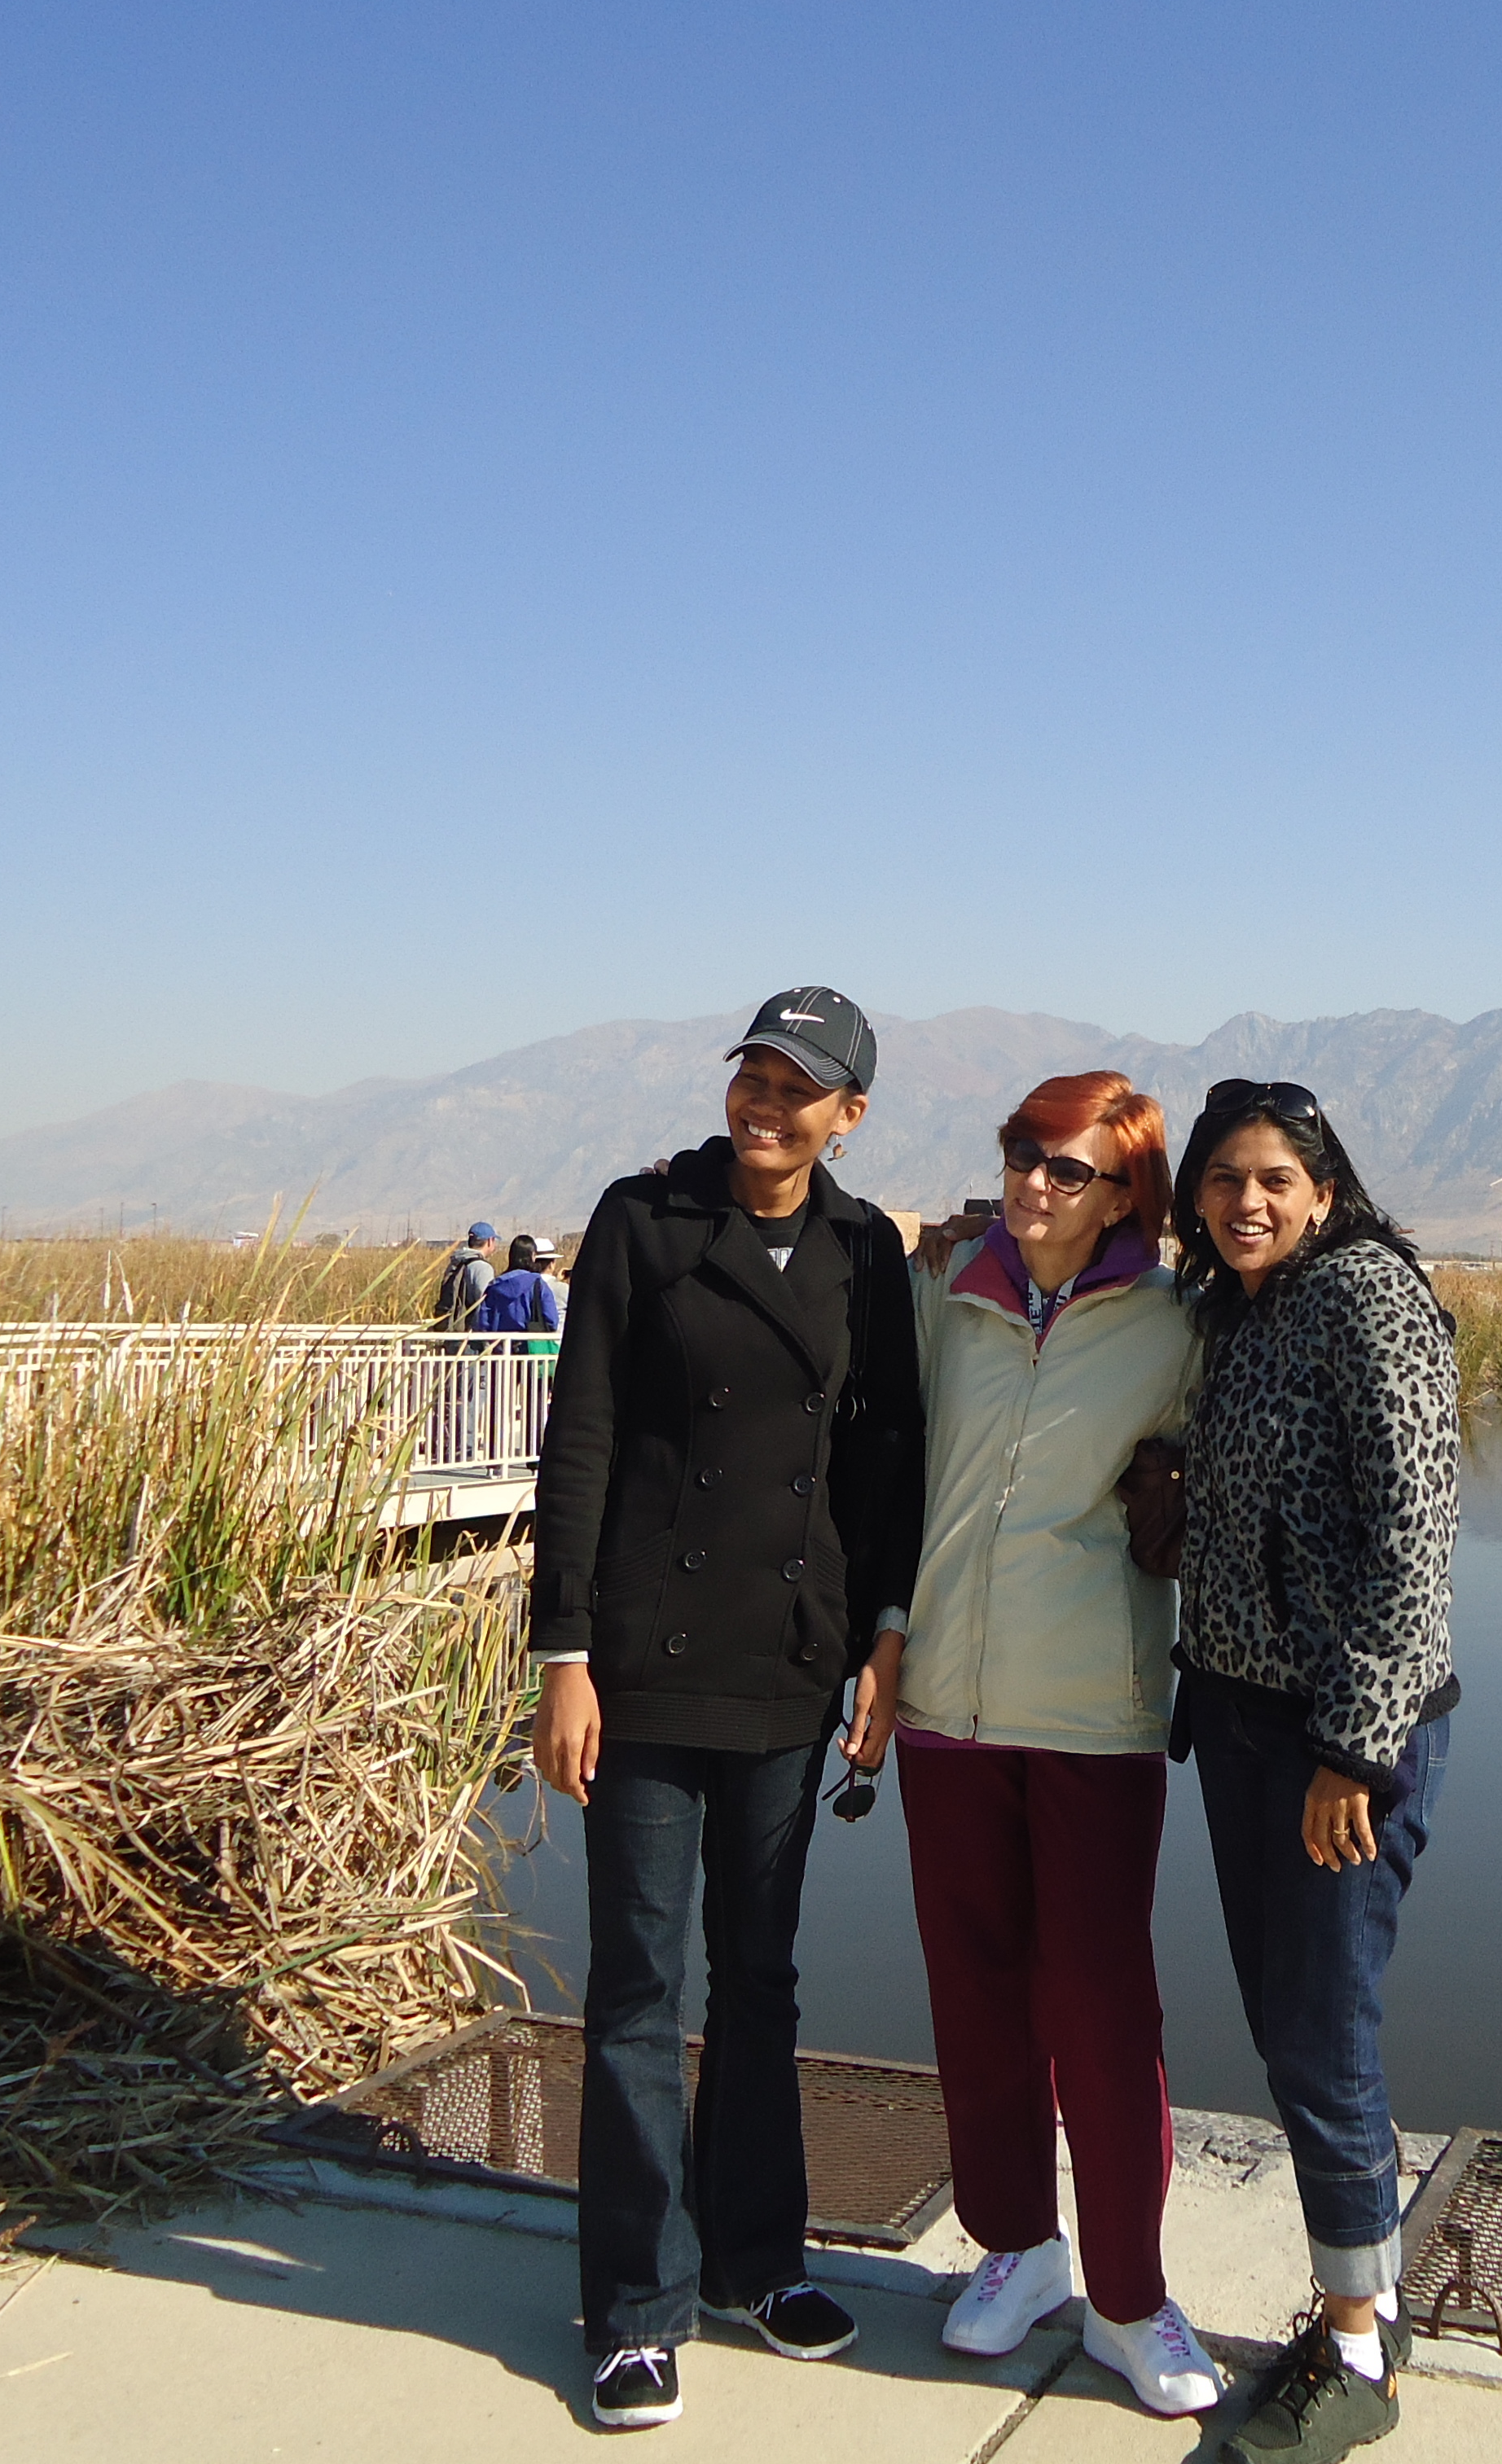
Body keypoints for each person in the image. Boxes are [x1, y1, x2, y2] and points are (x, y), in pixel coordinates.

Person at [526, 987, 928, 2433]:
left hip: (789, 1662)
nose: (764, 1104)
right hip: (643, 1659)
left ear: (847, 1117)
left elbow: (888, 1459)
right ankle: (636, 2308)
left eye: (796, 1087)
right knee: (639, 1987)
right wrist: (562, 1656)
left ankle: (757, 2262)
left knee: (761, 1976)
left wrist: (884, 1638)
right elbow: (581, 1443)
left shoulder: (866, 1252)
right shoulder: (646, 1221)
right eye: (752, 1075)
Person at [894, 1075, 1221, 2417]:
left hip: (1094, 1713)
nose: (1036, 1183)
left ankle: (1131, 2300)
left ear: (1126, 1191)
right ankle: (1018, 2250)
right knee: (974, 1995)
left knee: (1099, 2006)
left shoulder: (1178, 1321)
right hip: (944, 1708)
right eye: (1023, 1155)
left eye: (1069, 1168)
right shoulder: (947, 1293)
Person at [1170, 1081, 1460, 2463]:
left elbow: (1416, 1539)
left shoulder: (1367, 1299)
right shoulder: (1236, 1311)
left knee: (1326, 2036)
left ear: (1325, 1193)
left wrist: (1354, 1749)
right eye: (1225, 1179)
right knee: (1292, 2028)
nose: (1248, 1202)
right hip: (1239, 1723)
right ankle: (1368, 2303)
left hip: (1335, 1741)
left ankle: (1356, 2357)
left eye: (1275, 1179)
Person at [472, 1232, 564, 1335]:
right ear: (532, 1256)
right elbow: (552, 1321)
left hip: (499, 1343)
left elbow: (483, 1322)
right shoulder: (538, 1284)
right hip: (530, 1343)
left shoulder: (495, 1286)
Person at [432, 1221, 502, 1329]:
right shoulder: (483, 1268)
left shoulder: (455, 1262)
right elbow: (485, 1304)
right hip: (469, 1332)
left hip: (451, 1327)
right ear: (489, 1241)